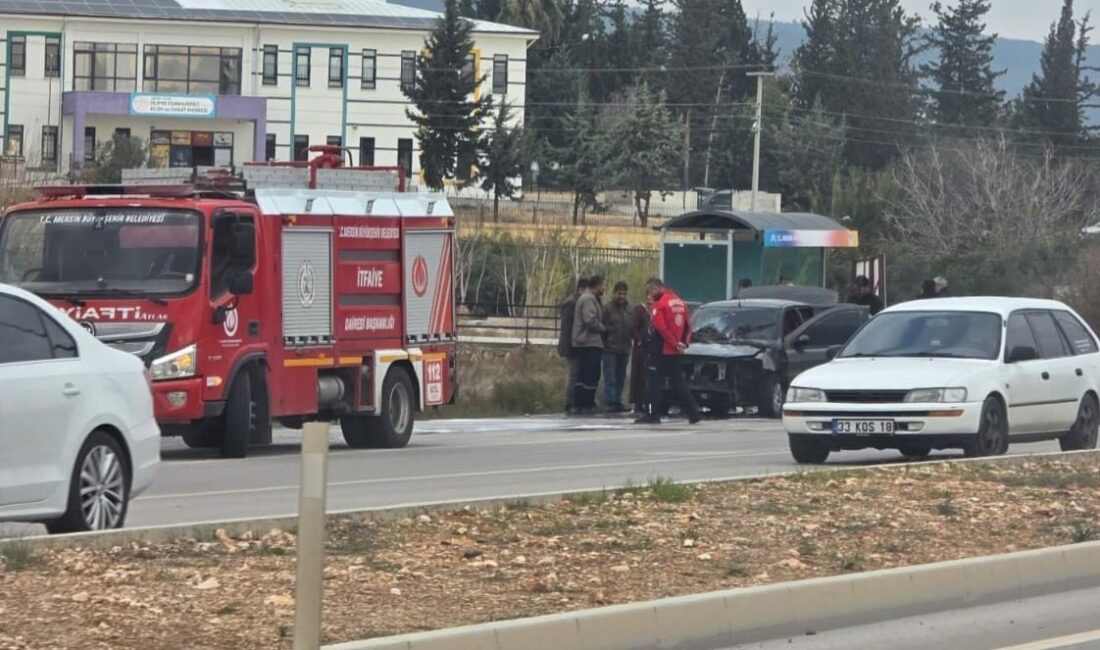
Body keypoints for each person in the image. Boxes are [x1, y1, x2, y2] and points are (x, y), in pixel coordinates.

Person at [636, 277, 701, 425]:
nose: (650, 294)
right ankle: (693, 412)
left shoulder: (660, 304)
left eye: (650, 290)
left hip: (660, 349)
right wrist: (683, 343)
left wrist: (673, 342)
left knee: (653, 383)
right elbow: (687, 325)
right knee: (678, 382)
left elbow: (660, 327)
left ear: (657, 288)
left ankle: (652, 414)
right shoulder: (680, 302)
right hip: (675, 351)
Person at [572, 275, 606, 413]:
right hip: (588, 342)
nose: (604, 288)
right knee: (591, 374)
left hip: (585, 342)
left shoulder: (587, 298)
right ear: (597, 285)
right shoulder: (588, 299)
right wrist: (603, 328)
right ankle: (586, 404)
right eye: (603, 285)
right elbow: (590, 319)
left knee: (583, 375)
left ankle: (580, 403)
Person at [558, 277, 588, 414]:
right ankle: (570, 403)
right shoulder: (571, 303)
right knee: (574, 375)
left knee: (579, 375)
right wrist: (569, 346)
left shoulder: (578, 301)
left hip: (578, 344)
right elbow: (567, 328)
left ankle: (577, 402)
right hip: (572, 345)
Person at [601, 281, 631, 412]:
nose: (622, 296)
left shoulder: (630, 309)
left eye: (624, 294)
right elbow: (602, 326)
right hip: (610, 348)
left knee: (621, 376)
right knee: (610, 376)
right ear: (614, 293)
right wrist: (609, 335)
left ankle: (617, 400)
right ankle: (610, 402)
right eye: (619, 293)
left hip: (625, 348)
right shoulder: (607, 308)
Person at [629, 297, 651, 415]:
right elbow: (633, 327)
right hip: (641, 348)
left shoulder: (656, 310)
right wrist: (638, 340)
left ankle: (647, 402)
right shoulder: (640, 310)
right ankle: (638, 403)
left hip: (651, 348)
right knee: (639, 375)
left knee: (648, 376)